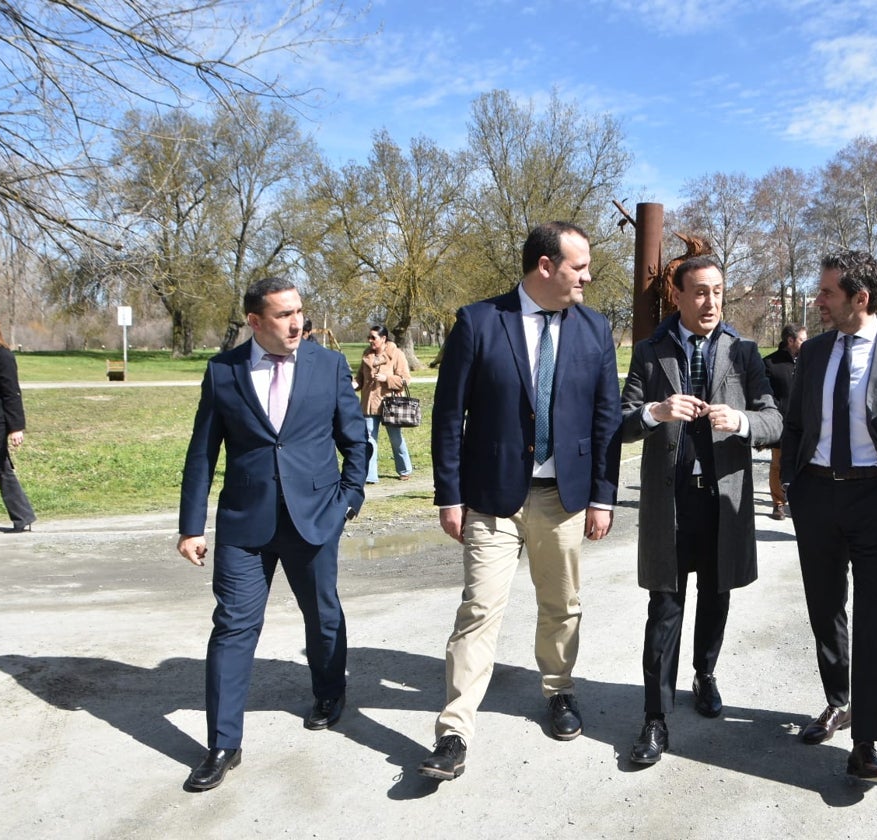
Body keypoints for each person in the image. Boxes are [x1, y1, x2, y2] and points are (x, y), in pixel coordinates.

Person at [418, 221, 621, 782]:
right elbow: (447, 416)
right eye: (579, 266)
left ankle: (559, 692)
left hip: (565, 499)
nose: (588, 276)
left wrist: (604, 495)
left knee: (562, 606)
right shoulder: (479, 321)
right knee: (479, 610)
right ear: (545, 266)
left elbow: (606, 420)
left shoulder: (595, 329)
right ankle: (454, 731)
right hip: (491, 500)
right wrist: (449, 494)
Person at [176, 277, 370, 793]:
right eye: (283, 315)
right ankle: (222, 743)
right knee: (233, 626)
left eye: (300, 312)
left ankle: (329, 693)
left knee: (322, 614)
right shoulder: (223, 372)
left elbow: (356, 440)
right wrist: (191, 526)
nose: (296, 323)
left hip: (314, 518)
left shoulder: (327, 365)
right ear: (255, 322)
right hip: (245, 524)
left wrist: (348, 499)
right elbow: (202, 454)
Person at [620, 255, 782, 764]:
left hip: (723, 501)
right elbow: (620, 421)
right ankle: (654, 717)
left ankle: (705, 673)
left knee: (716, 596)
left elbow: (775, 421)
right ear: (679, 295)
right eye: (699, 292)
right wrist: (654, 412)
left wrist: (741, 422)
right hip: (670, 503)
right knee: (664, 608)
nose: (710, 302)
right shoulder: (650, 351)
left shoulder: (745, 352)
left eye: (717, 291)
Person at [780, 250, 877, 784]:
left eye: (826, 293)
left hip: (876, 499)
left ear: (858, 298)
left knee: (872, 621)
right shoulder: (815, 352)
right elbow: (795, 424)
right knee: (825, 609)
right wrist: (791, 487)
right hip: (817, 497)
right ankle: (837, 701)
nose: (817, 301)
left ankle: (866, 742)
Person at [0, 302, 36, 533]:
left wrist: (16, 427)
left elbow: (11, 392)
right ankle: (23, 516)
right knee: (1, 469)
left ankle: (24, 516)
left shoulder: (1, 355)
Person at [356, 325, 413, 483]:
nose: (370, 340)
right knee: (369, 440)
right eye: (369, 337)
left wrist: (387, 379)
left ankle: (404, 469)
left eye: (373, 337)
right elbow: (360, 378)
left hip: (391, 405)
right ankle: (370, 476)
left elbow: (405, 379)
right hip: (369, 404)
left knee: (396, 438)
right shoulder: (366, 355)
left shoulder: (396, 354)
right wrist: (350, 385)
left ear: (383, 338)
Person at [762, 323, 806, 520]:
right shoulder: (770, 363)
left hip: (806, 424)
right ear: (791, 340)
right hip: (781, 423)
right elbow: (764, 394)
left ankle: (799, 500)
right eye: (802, 339)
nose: (806, 343)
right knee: (778, 463)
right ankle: (778, 503)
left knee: (804, 464)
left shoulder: (809, 361)